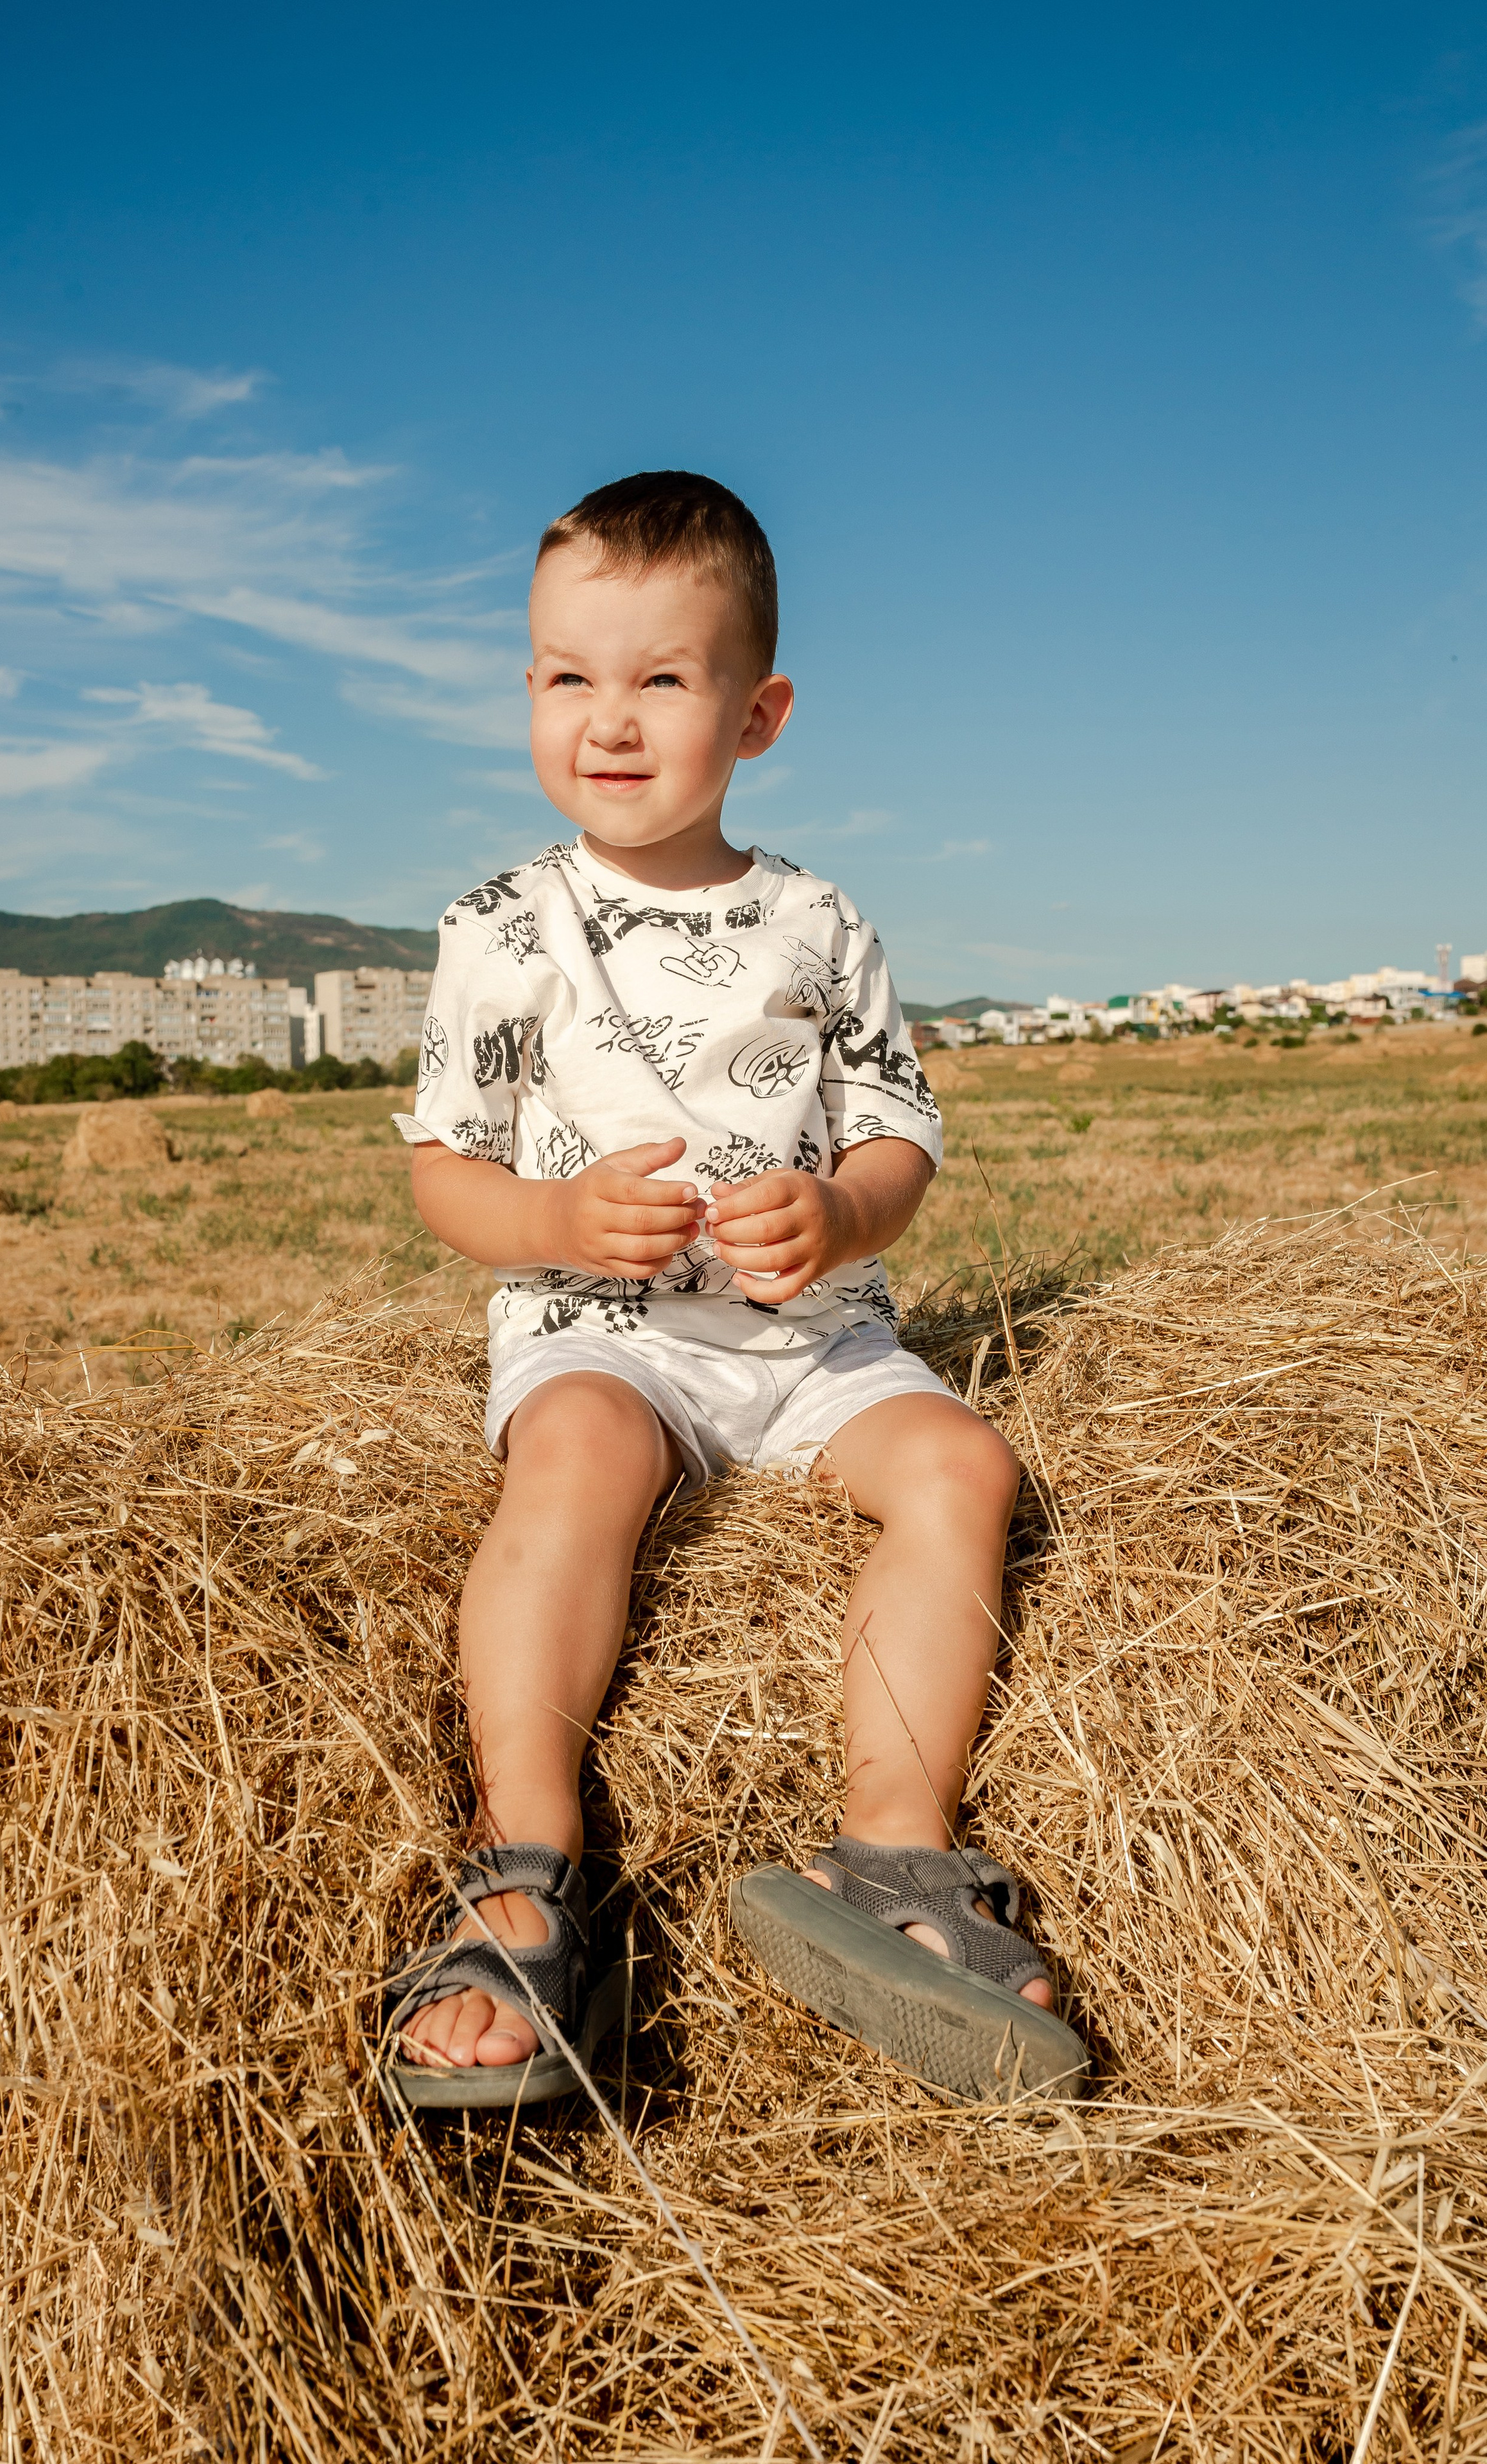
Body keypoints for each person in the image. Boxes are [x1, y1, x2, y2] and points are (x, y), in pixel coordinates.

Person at [383, 471, 1085, 2107]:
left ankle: (890, 1856)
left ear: (755, 713)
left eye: (660, 678)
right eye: (566, 675)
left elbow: (900, 1134)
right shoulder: (500, 925)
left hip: (812, 1341)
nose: (606, 722)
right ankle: (526, 1870)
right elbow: (445, 1173)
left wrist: (841, 1213)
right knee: (574, 1460)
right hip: (600, 1333)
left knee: (961, 1471)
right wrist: (553, 1213)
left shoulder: (820, 925)